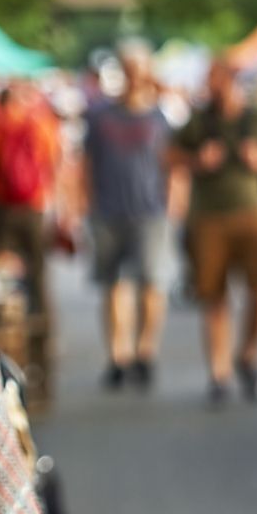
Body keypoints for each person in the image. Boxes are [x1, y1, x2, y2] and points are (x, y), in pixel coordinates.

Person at [169, 59, 257, 405]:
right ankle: (219, 372)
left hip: (252, 213)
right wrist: (197, 161)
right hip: (207, 217)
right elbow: (169, 156)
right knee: (214, 296)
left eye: (217, 81)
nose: (213, 89)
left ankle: (249, 354)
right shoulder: (200, 120)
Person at [82, 44, 172, 390]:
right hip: (108, 209)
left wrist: (173, 201)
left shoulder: (159, 116)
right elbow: (86, 164)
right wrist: (84, 203)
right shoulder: (100, 116)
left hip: (149, 211)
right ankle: (117, 355)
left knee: (152, 283)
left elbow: (171, 163)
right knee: (113, 284)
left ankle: (144, 351)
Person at [0, 81, 59, 318]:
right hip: (33, 205)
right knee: (37, 275)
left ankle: (3, 333)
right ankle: (40, 338)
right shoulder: (41, 124)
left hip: (1, 206)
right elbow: (52, 166)